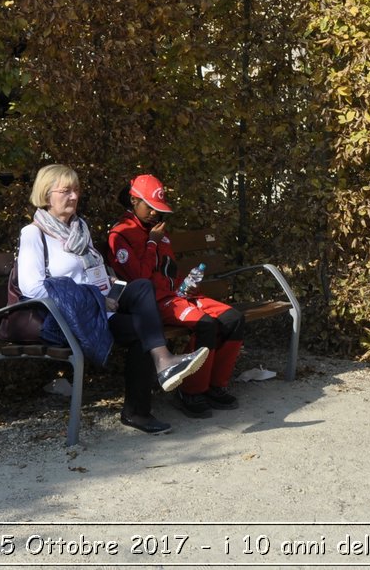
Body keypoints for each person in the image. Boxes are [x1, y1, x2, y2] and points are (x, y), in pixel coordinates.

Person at [14, 164, 209, 434]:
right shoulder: (33, 234)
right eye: (66, 191)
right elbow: (32, 288)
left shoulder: (79, 227)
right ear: (46, 194)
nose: (73, 197)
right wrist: (94, 297)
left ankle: (157, 373)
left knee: (141, 288)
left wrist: (107, 290)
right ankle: (154, 380)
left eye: (76, 191)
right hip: (71, 318)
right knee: (143, 328)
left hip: (102, 306)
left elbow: (91, 271)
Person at [109, 174, 245, 419]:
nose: (154, 214)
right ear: (133, 200)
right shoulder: (121, 234)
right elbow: (140, 279)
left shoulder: (158, 231)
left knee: (234, 319)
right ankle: (191, 391)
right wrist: (152, 243)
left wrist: (188, 286)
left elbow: (169, 270)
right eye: (149, 207)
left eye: (158, 209)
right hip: (153, 303)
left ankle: (215, 387)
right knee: (205, 325)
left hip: (178, 295)